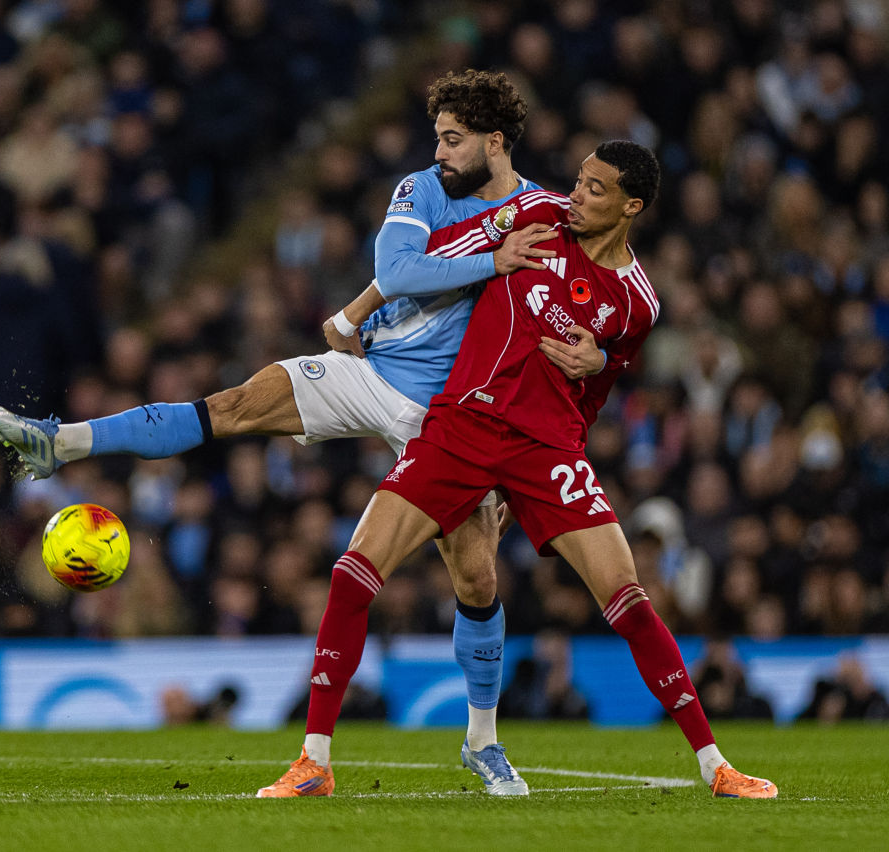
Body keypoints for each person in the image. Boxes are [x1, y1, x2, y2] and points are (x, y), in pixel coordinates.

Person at [0, 70, 558, 795]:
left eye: (453, 139)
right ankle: (61, 441)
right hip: (371, 370)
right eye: (437, 137)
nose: (439, 151)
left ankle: (482, 741)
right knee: (235, 403)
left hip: (446, 417)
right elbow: (396, 269)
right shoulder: (423, 189)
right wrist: (468, 270)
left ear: (495, 141)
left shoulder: (541, 213)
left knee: (475, 575)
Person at [256, 140, 778, 799]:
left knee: (628, 598)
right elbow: (427, 262)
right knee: (353, 573)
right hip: (463, 425)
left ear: (631, 206)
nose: (577, 195)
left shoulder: (638, 303)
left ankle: (715, 765)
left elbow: (598, 389)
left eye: (595, 189)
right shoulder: (534, 213)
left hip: (547, 449)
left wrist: (597, 365)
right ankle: (314, 762)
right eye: (580, 179)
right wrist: (355, 314)